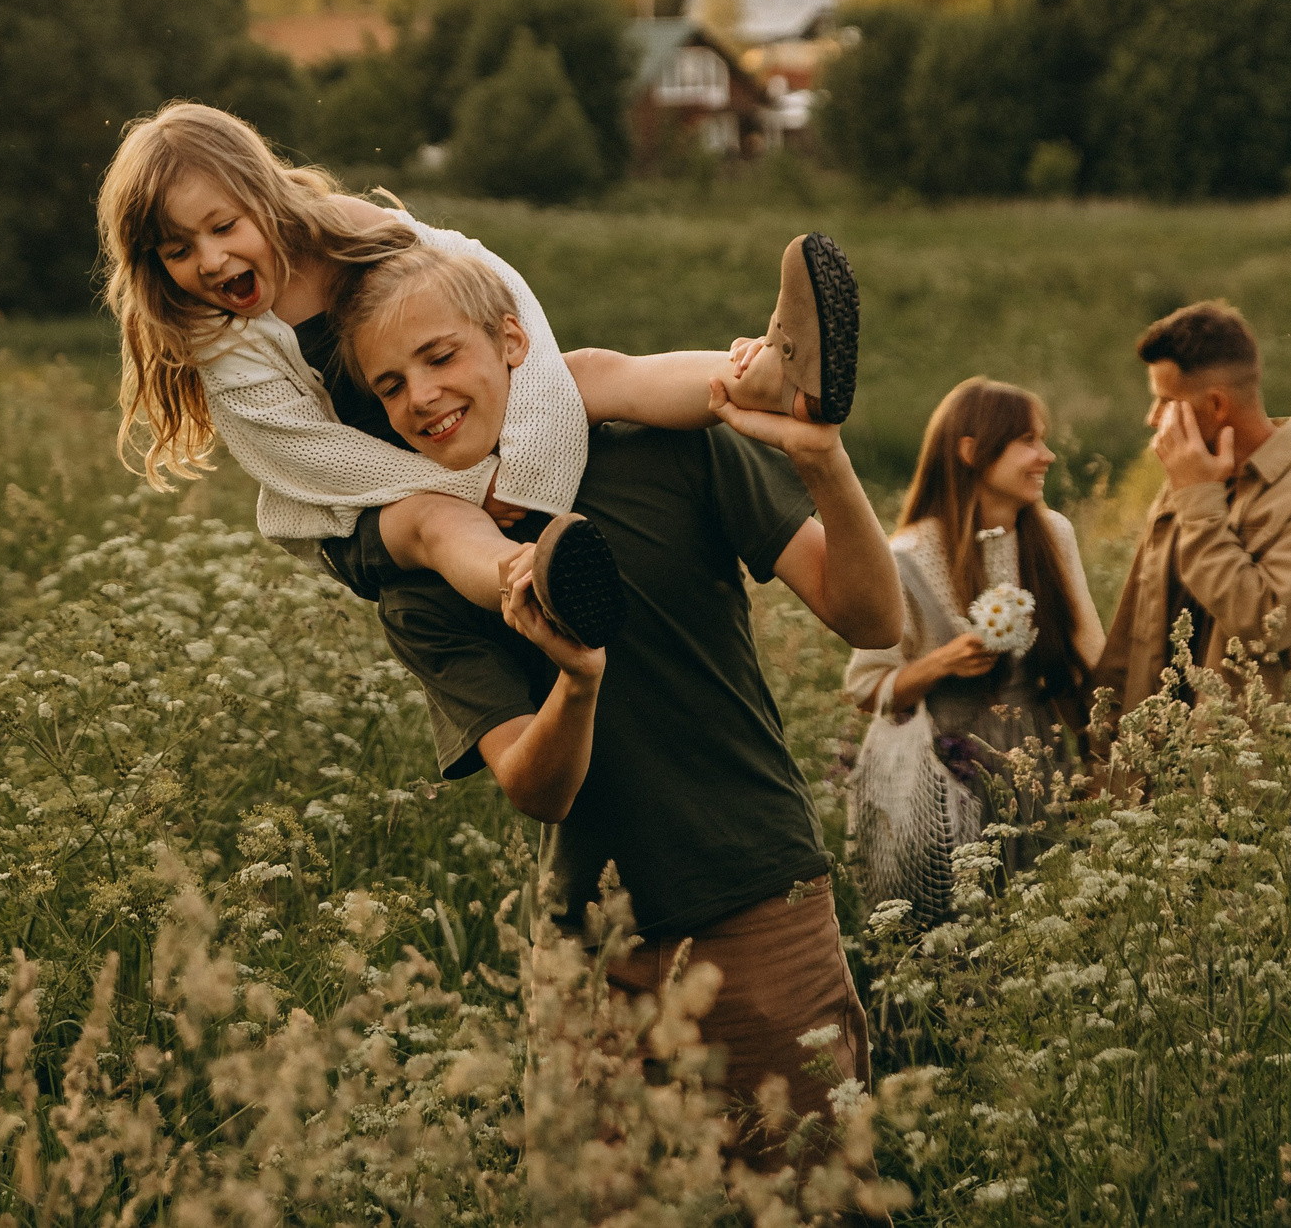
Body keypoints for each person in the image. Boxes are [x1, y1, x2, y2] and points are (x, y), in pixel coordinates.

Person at [334, 240, 905, 1180]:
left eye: (440, 357)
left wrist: (827, 460)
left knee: (816, 1197)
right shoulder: (430, 573)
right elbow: (536, 785)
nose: (422, 397)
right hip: (589, 946)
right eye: (391, 386)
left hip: (759, 897)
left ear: (513, 342)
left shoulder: (664, 443)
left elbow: (871, 615)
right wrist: (578, 684)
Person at [94, 101, 860, 643]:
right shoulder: (216, 341)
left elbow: (491, 285)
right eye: (179, 249)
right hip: (366, 501)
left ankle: (773, 378)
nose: (211, 260)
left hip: (447, 427)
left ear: (263, 197)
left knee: (590, 370)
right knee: (435, 521)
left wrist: (534, 429)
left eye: (223, 226)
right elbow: (315, 459)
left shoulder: (348, 230)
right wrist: (476, 487)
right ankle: (535, 582)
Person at [843, 378, 1104, 924]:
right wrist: (941, 664)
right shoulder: (908, 556)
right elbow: (865, 686)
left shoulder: (1053, 534)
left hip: (1040, 761)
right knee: (957, 931)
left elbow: (1091, 651)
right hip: (948, 772)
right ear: (971, 451)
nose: (1046, 455)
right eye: (1028, 441)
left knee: (1046, 921)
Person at [1093, 299, 1291, 717]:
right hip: (1158, 763)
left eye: (1164, 400)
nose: (1152, 418)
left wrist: (1199, 501)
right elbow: (1136, 629)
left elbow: (1262, 626)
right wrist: (1104, 747)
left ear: (1217, 405)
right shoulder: (1188, 478)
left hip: (1253, 768)